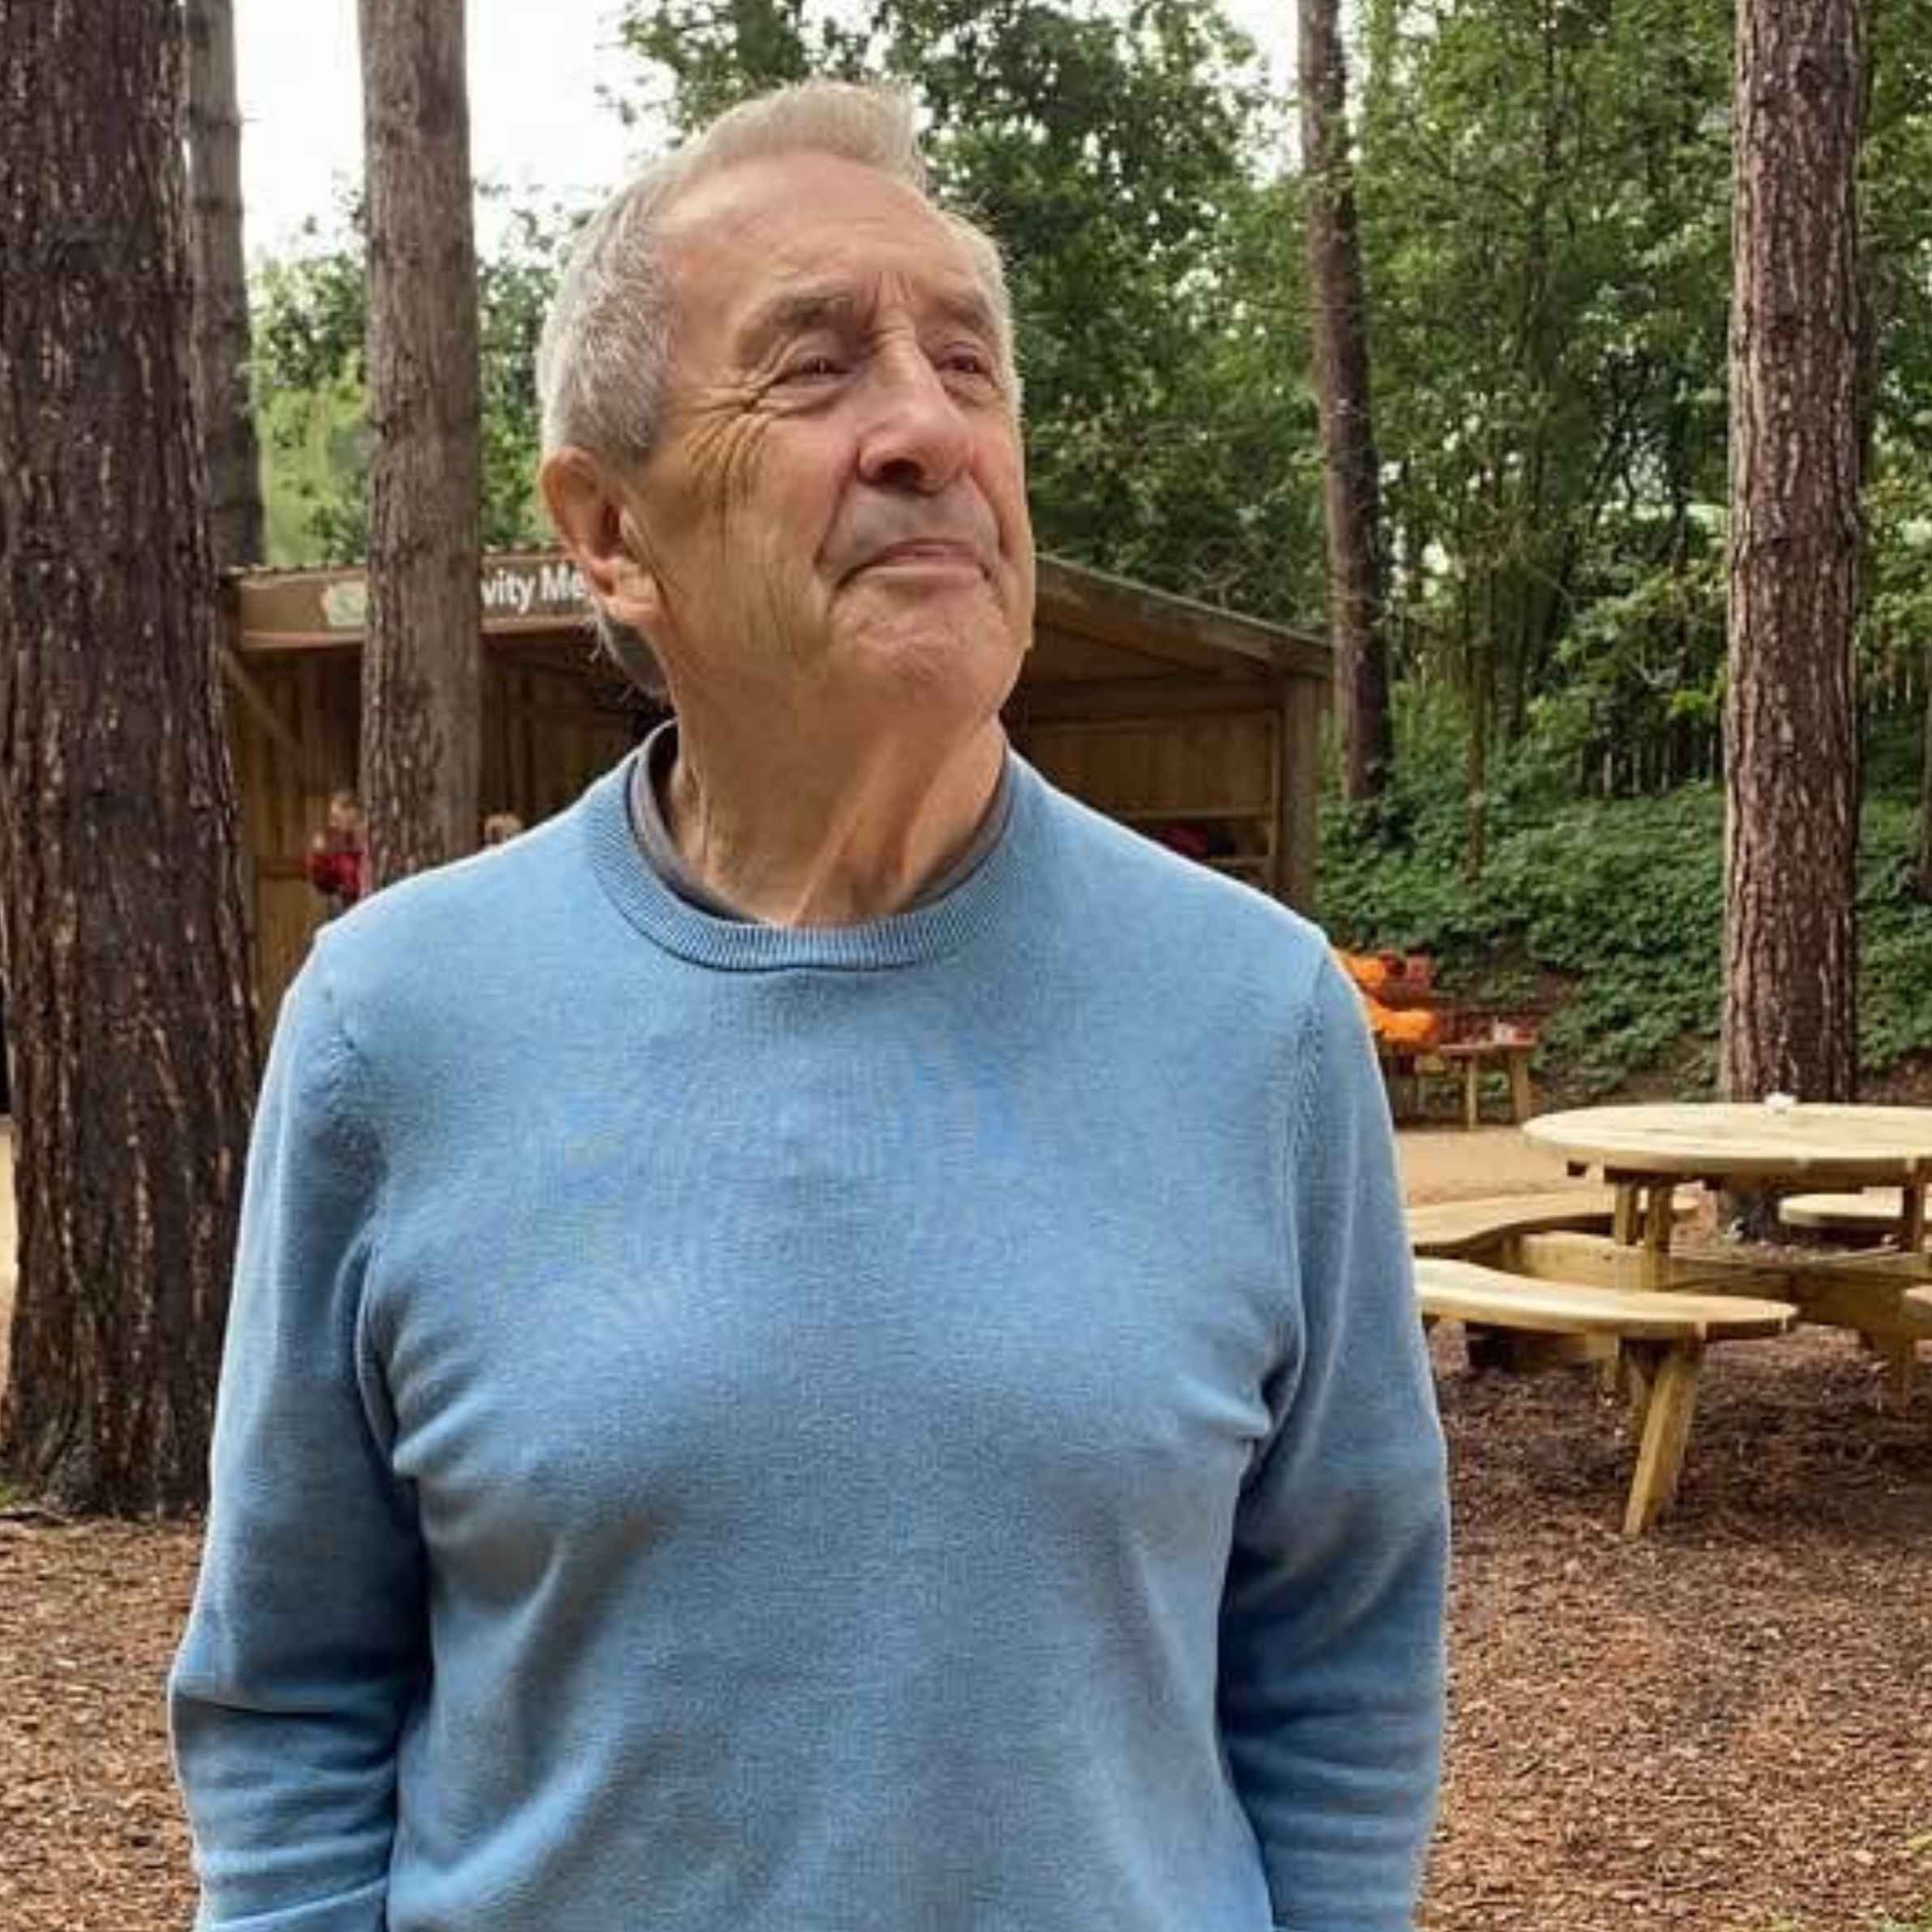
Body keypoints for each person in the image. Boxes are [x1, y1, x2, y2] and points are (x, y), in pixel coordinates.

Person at [170, 82, 1447, 1932]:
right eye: (816, 366)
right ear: (611, 532)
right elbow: (292, 1690)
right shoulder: (395, 1022)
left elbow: (1343, 1648)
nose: (928, 427)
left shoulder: (1258, 1016)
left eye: (967, 363)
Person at [303, 787, 364, 915]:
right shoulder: (338, 845)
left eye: (337, 818)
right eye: (333, 818)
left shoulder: (370, 841)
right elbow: (325, 884)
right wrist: (318, 857)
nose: (333, 824)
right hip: (350, 908)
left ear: (352, 813)